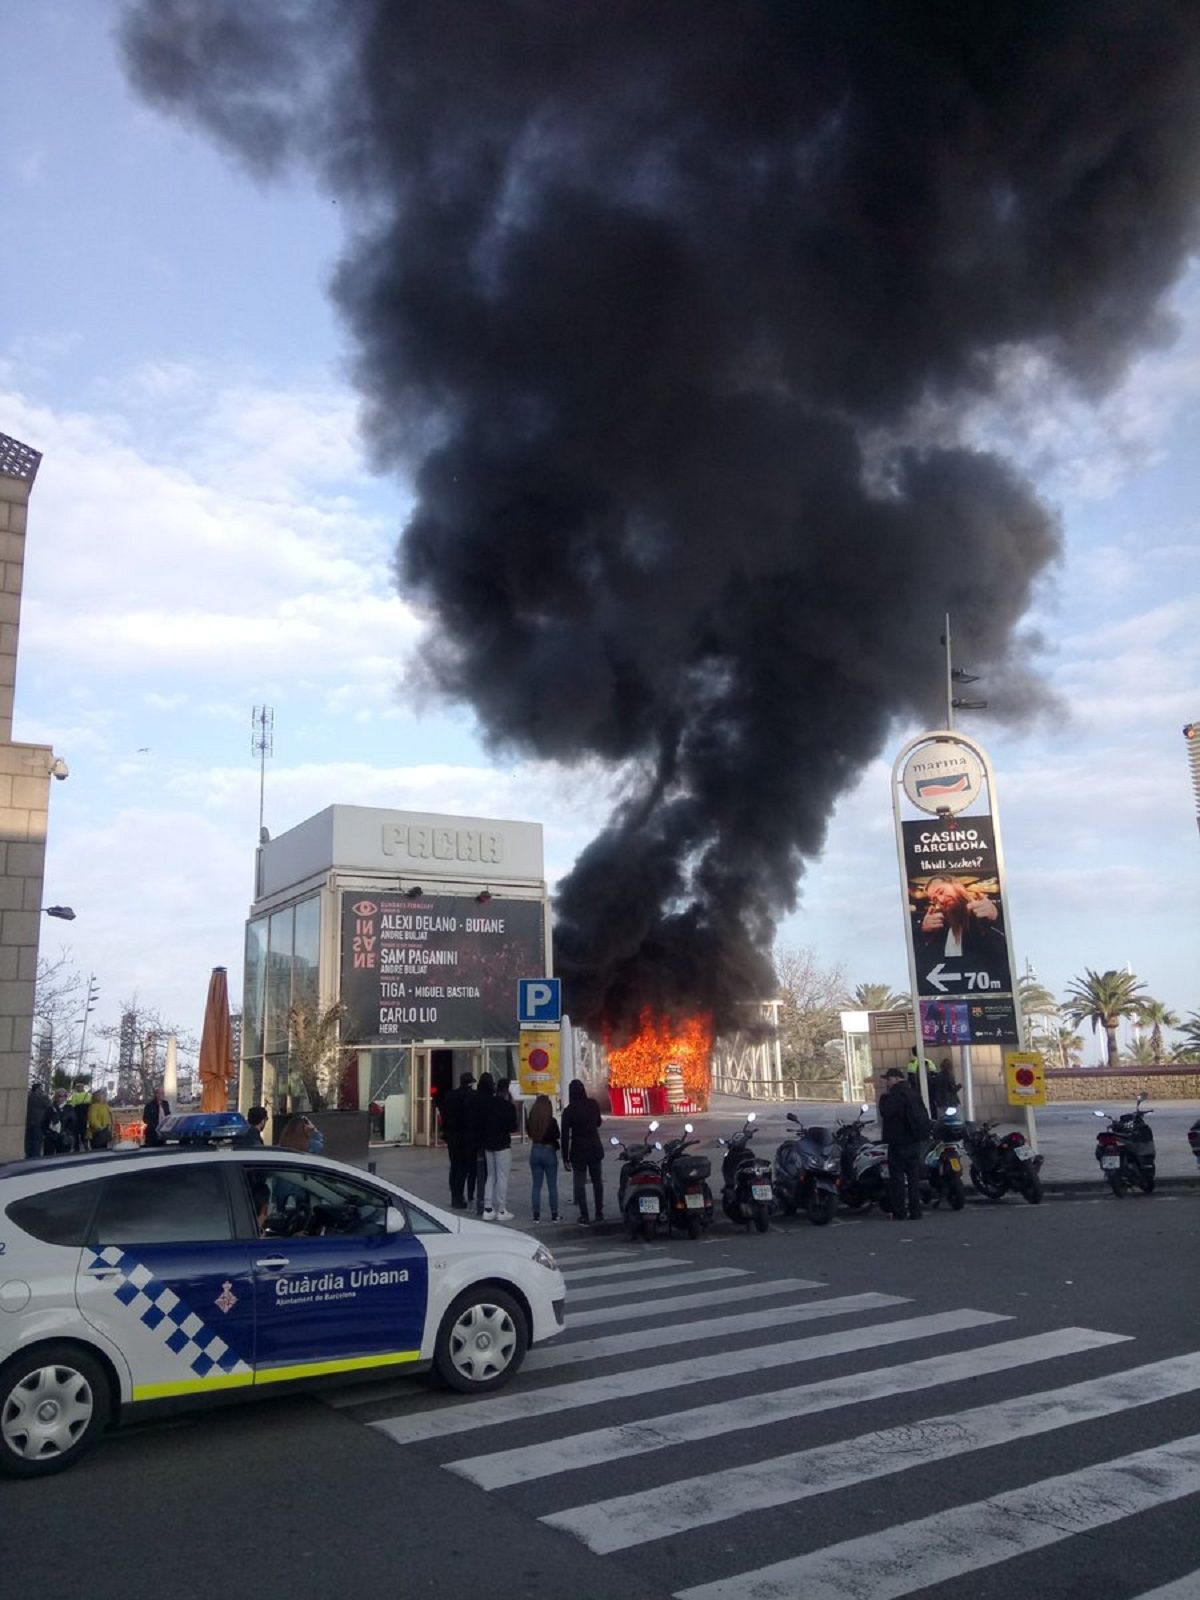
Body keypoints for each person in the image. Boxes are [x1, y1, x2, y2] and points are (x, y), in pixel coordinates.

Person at [913, 875, 1009, 990]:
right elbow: (919, 960)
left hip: (991, 988)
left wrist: (995, 914)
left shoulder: (985, 910)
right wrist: (922, 930)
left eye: (941, 892)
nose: (941, 900)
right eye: (935, 899)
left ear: (956, 886)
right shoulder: (939, 927)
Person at [878, 1067, 931, 1221]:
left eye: (888, 1079)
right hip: (914, 1141)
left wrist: (884, 1098)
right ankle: (916, 1211)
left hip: (898, 1142)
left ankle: (899, 1212)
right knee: (914, 1178)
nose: (887, 1083)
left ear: (895, 1079)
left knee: (897, 1178)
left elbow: (885, 1112)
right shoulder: (913, 1093)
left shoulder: (895, 1095)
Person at [561, 1077, 605, 1224]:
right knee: (597, 1181)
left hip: (578, 1150)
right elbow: (598, 1123)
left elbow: (565, 1136)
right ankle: (599, 1212)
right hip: (594, 1147)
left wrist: (565, 1157)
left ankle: (584, 1214)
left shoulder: (569, 1111)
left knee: (579, 1183)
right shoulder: (593, 1104)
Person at [481, 1076, 518, 1221]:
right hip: (502, 1144)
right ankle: (501, 1209)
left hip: (488, 1144)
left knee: (490, 1176)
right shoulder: (508, 1106)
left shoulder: (488, 1104)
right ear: (507, 1090)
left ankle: (488, 1208)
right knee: (502, 1176)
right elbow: (513, 1127)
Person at [440, 1072, 477, 1210]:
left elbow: (444, 1115)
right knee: (464, 1168)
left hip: (452, 1137)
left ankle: (455, 1196)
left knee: (454, 1167)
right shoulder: (472, 1096)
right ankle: (463, 1196)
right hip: (466, 1137)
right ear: (470, 1083)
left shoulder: (450, 1095)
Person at [526, 1094, 561, 1222]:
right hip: (548, 1151)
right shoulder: (551, 1121)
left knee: (536, 1186)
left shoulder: (531, 1120)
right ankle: (554, 1214)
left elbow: (529, 1133)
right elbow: (557, 1135)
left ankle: (536, 1215)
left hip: (535, 1149)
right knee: (552, 1186)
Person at [42, 1089, 73, 1156]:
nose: (62, 1098)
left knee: (62, 1158)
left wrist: (68, 1132)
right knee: (48, 1157)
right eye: (60, 1096)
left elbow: (73, 1122)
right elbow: (44, 1122)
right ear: (56, 1097)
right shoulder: (50, 1108)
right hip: (51, 1136)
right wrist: (47, 1133)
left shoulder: (69, 1108)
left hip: (64, 1137)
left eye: (64, 1096)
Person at [25, 1083, 50, 1160]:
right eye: (40, 1089)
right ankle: (35, 1158)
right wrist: (45, 1095)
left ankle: (28, 1156)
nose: (42, 1090)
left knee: (29, 1141)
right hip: (38, 1123)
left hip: (29, 1123)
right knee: (36, 1142)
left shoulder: (28, 1097)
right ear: (37, 1089)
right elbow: (48, 1103)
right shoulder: (39, 1098)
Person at [68, 1080, 91, 1151]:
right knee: (84, 1133)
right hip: (85, 1116)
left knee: (76, 1133)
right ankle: (86, 1146)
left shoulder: (75, 1096)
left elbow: (72, 1105)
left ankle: (77, 1147)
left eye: (78, 1087)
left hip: (77, 1117)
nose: (78, 1088)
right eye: (77, 1087)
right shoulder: (89, 1095)